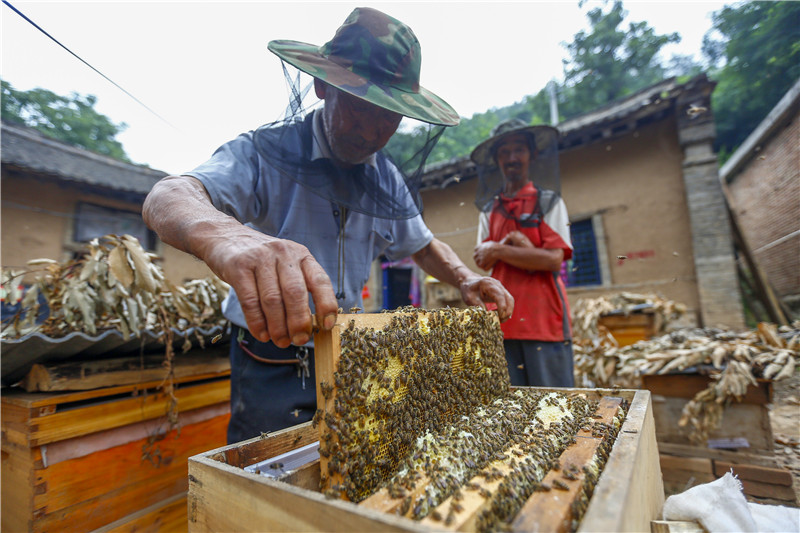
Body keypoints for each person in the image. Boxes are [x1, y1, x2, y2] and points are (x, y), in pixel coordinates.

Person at [142, 7, 513, 443]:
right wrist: (228, 237)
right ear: (322, 86)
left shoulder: (386, 177)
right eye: (360, 107)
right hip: (269, 355)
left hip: (348, 351)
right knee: (266, 480)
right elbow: (167, 196)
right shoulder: (261, 152)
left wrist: (465, 278)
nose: (373, 131)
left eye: (389, 116)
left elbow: (423, 243)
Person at [471, 118, 574, 387]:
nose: (512, 157)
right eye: (504, 152)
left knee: (554, 407)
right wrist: (517, 249)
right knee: (509, 411)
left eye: (519, 149)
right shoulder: (489, 209)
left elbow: (554, 259)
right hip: (502, 321)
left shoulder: (549, 201)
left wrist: (499, 249)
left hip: (544, 320)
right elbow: (482, 260)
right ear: (496, 160)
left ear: (533, 154)